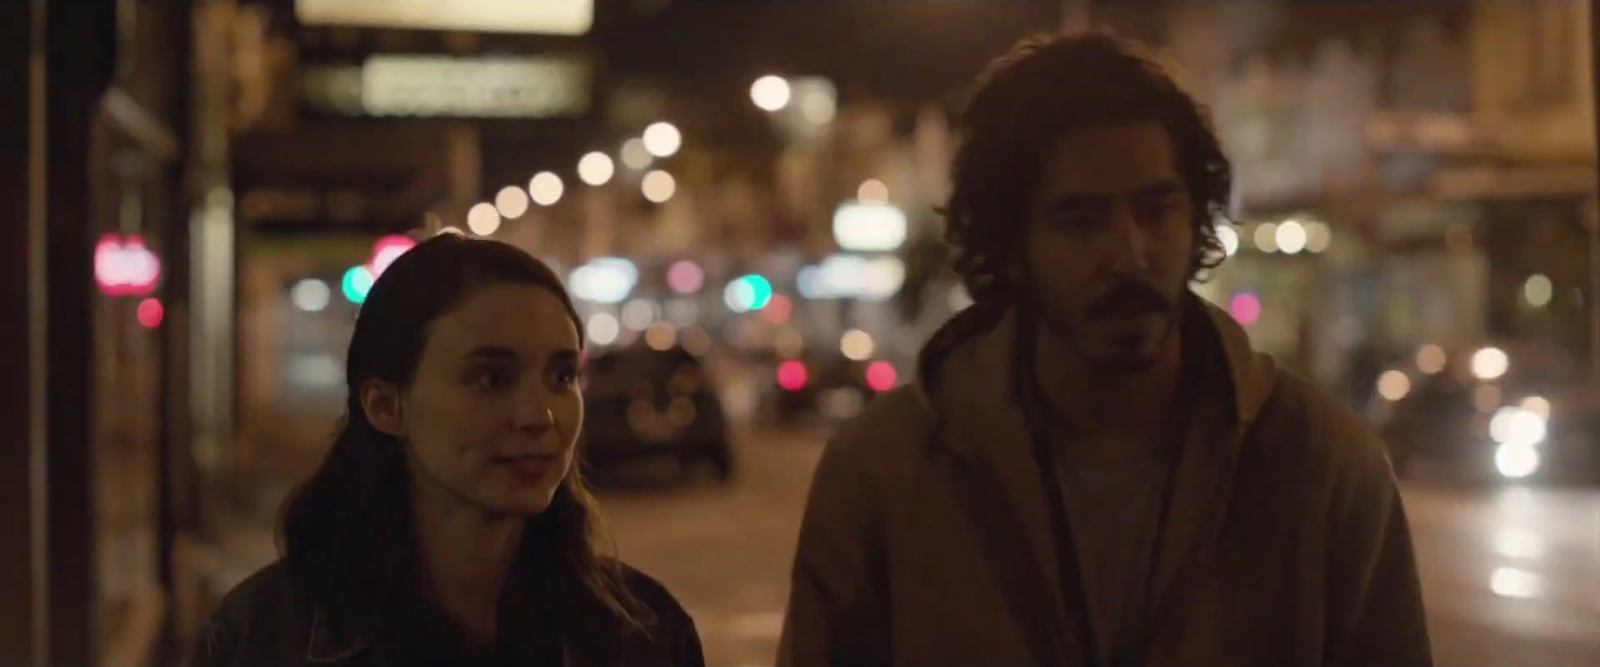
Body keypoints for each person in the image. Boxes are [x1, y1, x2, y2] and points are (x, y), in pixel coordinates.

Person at [778, 32, 1432, 667]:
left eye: (1156, 210)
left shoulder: (1322, 467)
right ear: (1013, 242)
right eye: (1081, 221)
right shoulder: (885, 475)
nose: (1130, 254)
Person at [192, 235, 705, 667]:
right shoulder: (265, 639)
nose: (539, 415)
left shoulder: (641, 634)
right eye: (492, 378)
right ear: (386, 406)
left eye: (562, 376)